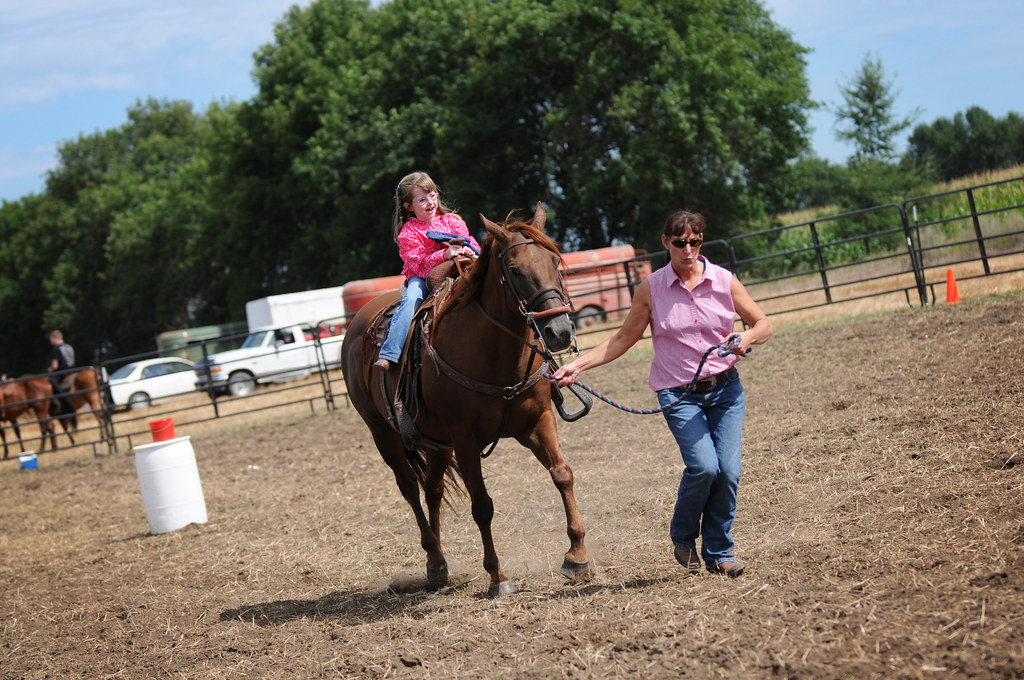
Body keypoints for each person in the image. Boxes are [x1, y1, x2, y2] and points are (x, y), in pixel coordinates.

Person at [551, 210, 772, 577]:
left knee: (729, 470)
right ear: (666, 241)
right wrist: (579, 365)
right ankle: (684, 536)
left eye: (696, 241)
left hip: (726, 390)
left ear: (702, 240)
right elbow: (623, 338)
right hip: (678, 394)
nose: (689, 249)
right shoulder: (651, 288)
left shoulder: (723, 280)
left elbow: (763, 323)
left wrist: (745, 337)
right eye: (681, 242)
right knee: (704, 466)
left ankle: (720, 551)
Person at [373, 172, 480, 371]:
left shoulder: (453, 221)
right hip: (423, 276)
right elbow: (418, 264)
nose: (430, 202)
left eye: (432, 195)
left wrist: (471, 251)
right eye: (422, 199)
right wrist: (444, 255)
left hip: (458, 268)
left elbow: (470, 241)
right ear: (409, 206)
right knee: (412, 300)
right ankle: (390, 353)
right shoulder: (408, 233)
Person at [48, 329, 76, 415]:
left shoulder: (56, 349)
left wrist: (50, 369)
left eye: (51, 339)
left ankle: (54, 406)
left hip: (61, 373)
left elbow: (55, 366)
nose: (50, 341)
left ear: (54, 338)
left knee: (50, 386)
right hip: (72, 371)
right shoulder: (68, 346)